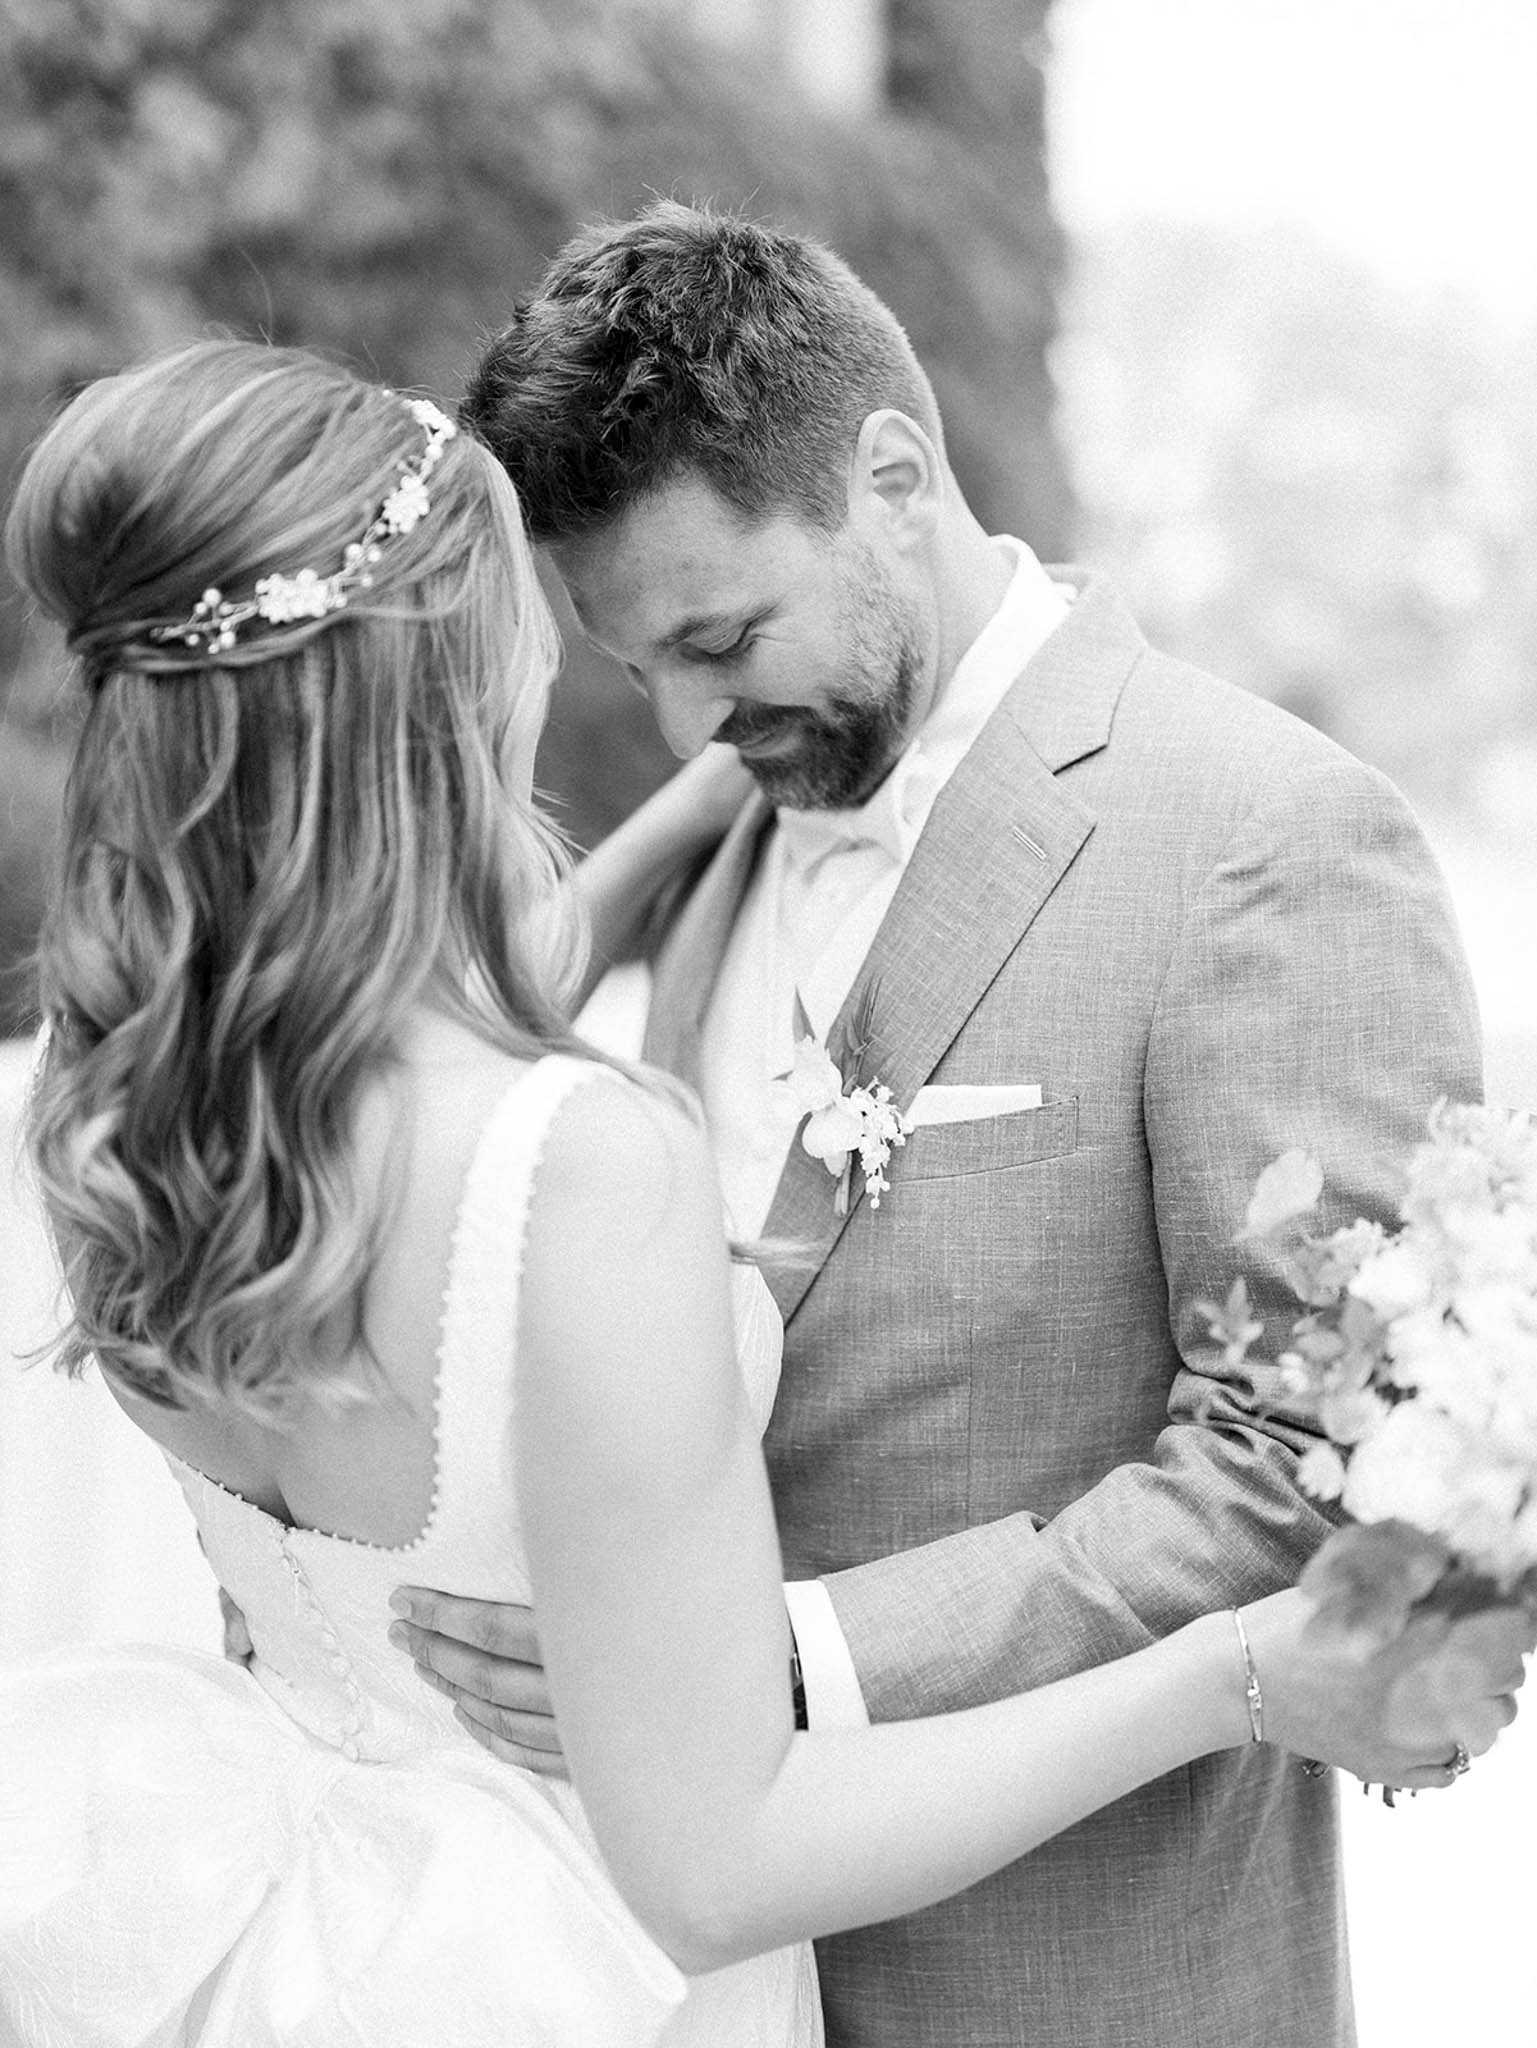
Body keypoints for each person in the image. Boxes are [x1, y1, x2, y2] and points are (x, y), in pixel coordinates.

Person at [0, 340, 1523, 2048]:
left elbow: (1289, 1448)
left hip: (422, 1950)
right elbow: (717, 1846)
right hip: (642, 1951)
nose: (678, 723)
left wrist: (680, 820)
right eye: (604, 661)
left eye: (712, 645)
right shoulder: (573, 1153)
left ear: (889, 479)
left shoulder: (112, 1109)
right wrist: (1237, 1684)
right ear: (439, 698)